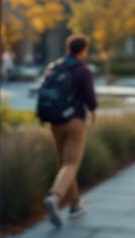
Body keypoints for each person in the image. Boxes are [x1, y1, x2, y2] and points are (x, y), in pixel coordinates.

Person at [40, 35, 98, 227]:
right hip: (75, 121)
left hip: (55, 120)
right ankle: (55, 197)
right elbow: (89, 96)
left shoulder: (55, 66)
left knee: (64, 164)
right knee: (71, 163)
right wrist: (94, 111)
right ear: (82, 51)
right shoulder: (82, 70)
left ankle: (74, 205)